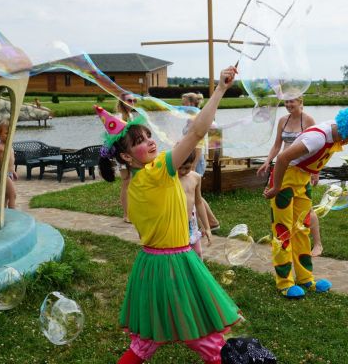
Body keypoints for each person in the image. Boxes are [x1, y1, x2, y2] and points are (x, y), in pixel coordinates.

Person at [97, 66, 241, 364]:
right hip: (175, 263)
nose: (150, 141)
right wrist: (220, 89)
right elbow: (198, 132)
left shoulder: (138, 180)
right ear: (126, 156)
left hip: (150, 264)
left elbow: (191, 141)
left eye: (148, 136)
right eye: (139, 141)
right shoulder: (157, 172)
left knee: (144, 343)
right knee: (206, 339)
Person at [263, 106, 348, 299]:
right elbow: (282, 158)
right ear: (346, 131)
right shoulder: (317, 138)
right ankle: (284, 283)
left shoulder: (339, 127)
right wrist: (275, 187)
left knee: (302, 229)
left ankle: (305, 278)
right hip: (285, 180)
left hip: (303, 180)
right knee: (284, 231)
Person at [257, 96, 325, 256]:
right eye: (286, 102)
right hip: (283, 168)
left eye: (292, 101)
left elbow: (318, 148)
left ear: (300, 102)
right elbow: (277, 145)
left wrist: (316, 171)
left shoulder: (308, 120)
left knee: (306, 208)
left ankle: (318, 244)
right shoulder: (283, 121)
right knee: (280, 205)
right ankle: (284, 241)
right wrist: (267, 161)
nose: (288, 104)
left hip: (302, 169)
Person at [181, 92, 222, 232]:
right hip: (190, 159)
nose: (182, 105)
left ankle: (211, 222)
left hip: (195, 160)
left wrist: (192, 164)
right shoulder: (191, 118)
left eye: (184, 102)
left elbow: (198, 144)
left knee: (193, 192)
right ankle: (209, 222)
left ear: (192, 104)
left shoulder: (196, 119)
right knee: (193, 192)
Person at [178, 151, 212, 259]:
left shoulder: (196, 177)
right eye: (180, 167)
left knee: (197, 253)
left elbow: (199, 202)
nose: (183, 171)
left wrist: (207, 227)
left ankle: (196, 275)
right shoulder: (171, 179)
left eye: (187, 168)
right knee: (180, 255)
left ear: (193, 164)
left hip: (191, 224)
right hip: (176, 225)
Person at [116, 92, 137, 223]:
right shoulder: (118, 117)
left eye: (134, 100)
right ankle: (126, 214)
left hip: (132, 153)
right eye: (129, 100)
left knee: (133, 182)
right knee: (126, 182)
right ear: (122, 102)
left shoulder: (131, 116)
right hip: (121, 153)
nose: (132, 103)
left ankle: (132, 211)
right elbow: (114, 137)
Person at [0, 120, 17, 209]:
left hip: (9, 174)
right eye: (6, 133)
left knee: (6, 196)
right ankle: (13, 214)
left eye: (10, 133)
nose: (8, 135)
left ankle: (3, 212)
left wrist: (13, 171)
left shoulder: (10, 146)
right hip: (3, 174)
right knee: (13, 195)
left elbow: (10, 161)